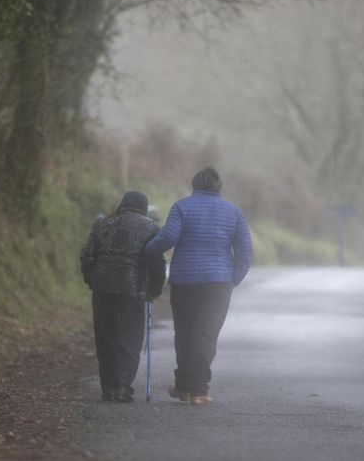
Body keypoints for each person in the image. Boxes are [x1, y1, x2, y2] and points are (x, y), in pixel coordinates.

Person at [145, 167, 252, 405]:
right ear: (218, 187)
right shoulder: (234, 211)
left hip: (185, 281)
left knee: (184, 334)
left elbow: (168, 237)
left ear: (193, 185)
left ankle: (185, 386)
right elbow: (245, 252)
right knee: (206, 335)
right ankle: (197, 390)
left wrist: (147, 251)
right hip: (218, 284)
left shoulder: (182, 207)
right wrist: (232, 279)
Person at [80, 191, 166, 402]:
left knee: (105, 337)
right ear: (143, 208)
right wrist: (154, 289)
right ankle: (121, 387)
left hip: (103, 287)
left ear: (122, 205)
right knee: (130, 336)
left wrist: (91, 279)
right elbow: (157, 262)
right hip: (132, 289)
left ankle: (108, 387)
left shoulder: (102, 223)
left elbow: (87, 255)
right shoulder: (151, 227)